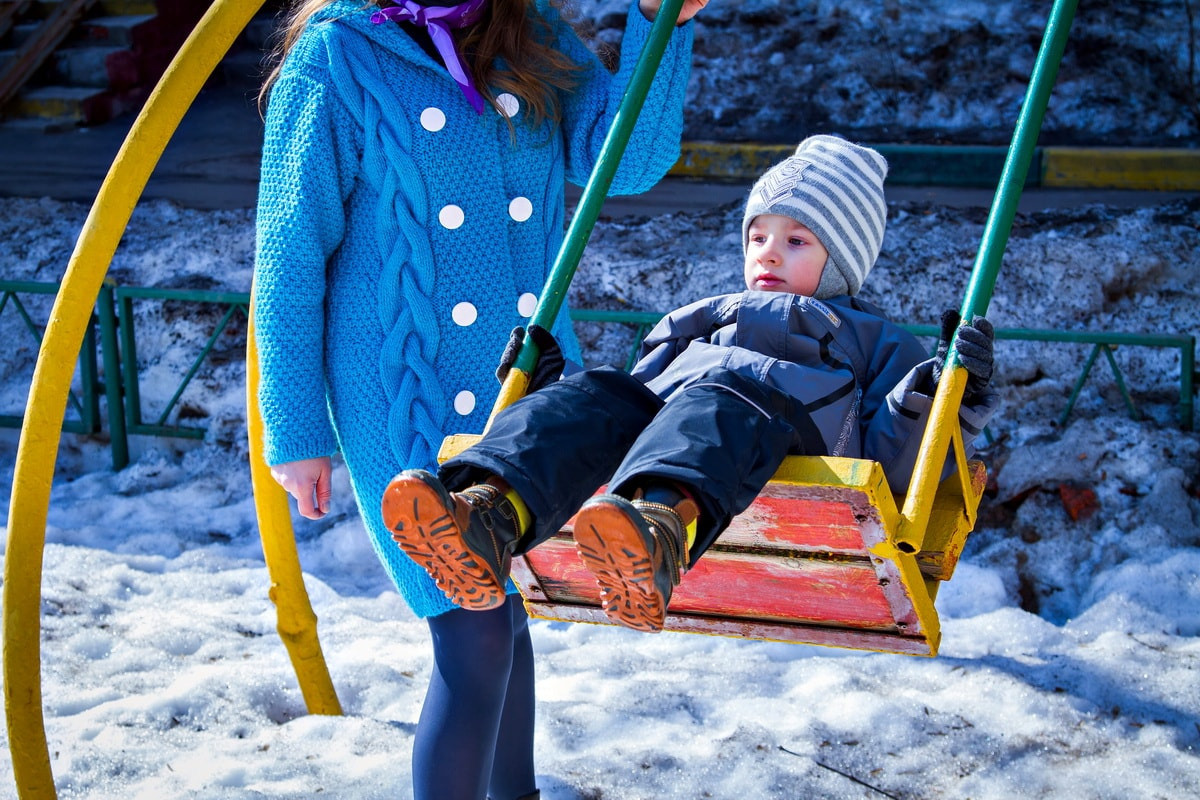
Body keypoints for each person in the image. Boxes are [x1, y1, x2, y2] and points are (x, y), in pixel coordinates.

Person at [252, 1, 709, 798]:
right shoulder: (338, 57)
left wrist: (658, 23)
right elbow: (288, 253)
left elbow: (625, 159)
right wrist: (293, 428)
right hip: (400, 392)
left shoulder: (525, 29)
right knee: (475, 630)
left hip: (522, 391)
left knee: (501, 612)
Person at [381, 134, 1000, 634]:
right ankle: (487, 517)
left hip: (785, 434)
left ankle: (657, 533)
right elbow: (631, 413)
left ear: (841, 260)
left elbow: (898, 458)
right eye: (757, 236)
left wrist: (945, 395)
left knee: (716, 400)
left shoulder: (873, 338)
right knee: (600, 392)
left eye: (796, 241)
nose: (768, 254)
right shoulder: (701, 319)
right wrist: (550, 386)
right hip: (690, 424)